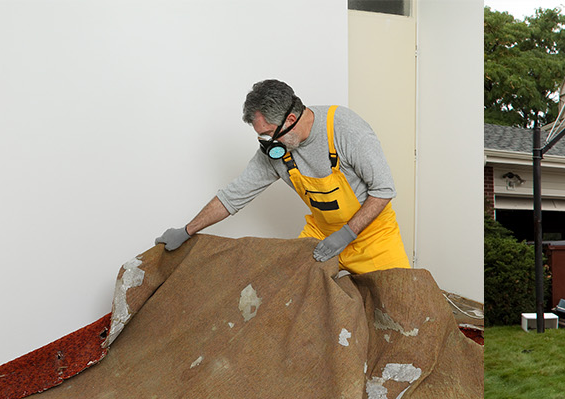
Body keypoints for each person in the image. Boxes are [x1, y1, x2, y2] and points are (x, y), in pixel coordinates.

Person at [155, 79, 409, 274]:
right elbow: (232, 197)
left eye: (268, 134)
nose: (266, 143)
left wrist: (346, 235)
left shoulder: (345, 129)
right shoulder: (276, 152)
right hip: (321, 234)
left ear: (290, 119)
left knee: (401, 304)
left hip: (373, 235)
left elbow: (383, 189)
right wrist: (187, 230)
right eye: (260, 136)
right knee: (290, 295)